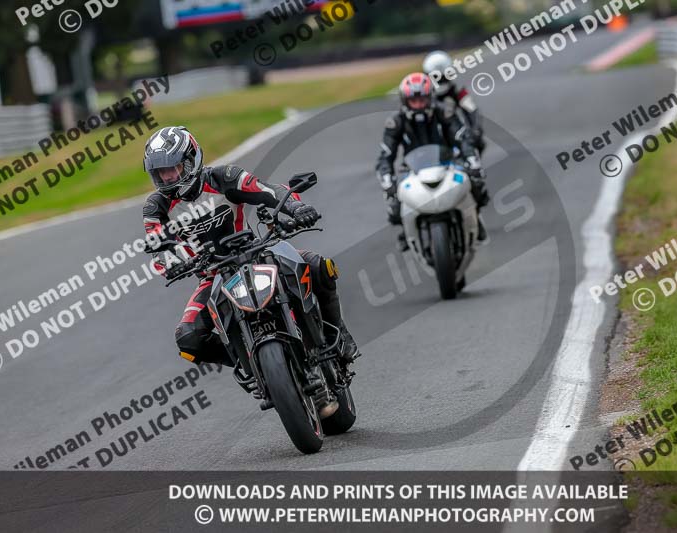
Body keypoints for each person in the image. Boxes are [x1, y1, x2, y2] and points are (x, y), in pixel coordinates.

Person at [141, 126, 360, 371]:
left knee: (319, 266)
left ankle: (337, 332)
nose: (167, 178)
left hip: (257, 255)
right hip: (213, 276)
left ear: (191, 160)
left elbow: (268, 191)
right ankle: (250, 365)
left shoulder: (224, 177)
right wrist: (171, 262)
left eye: (171, 169)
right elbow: (157, 246)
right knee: (188, 338)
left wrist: (298, 209)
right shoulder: (156, 207)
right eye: (160, 173)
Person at [376, 72, 488, 250]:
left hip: (449, 161)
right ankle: (406, 231)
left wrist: (473, 162)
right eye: (414, 101)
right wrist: (387, 181)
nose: (419, 105)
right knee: (394, 204)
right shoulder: (396, 122)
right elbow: (385, 156)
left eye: (422, 100)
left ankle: (474, 216)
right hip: (412, 168)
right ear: (405, 101)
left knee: (476, 182)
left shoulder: (445, 112)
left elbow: (463, 138)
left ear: (430, 98)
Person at [422, 50, 485, 153]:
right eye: (436, 77)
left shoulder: (457, 90)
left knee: (479, 144)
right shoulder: (423, 94)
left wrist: (475, 131)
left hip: (455, 132)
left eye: (442, 76)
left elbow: (472, 110)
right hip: (430, 137)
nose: (440, 80)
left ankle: (473, 165)